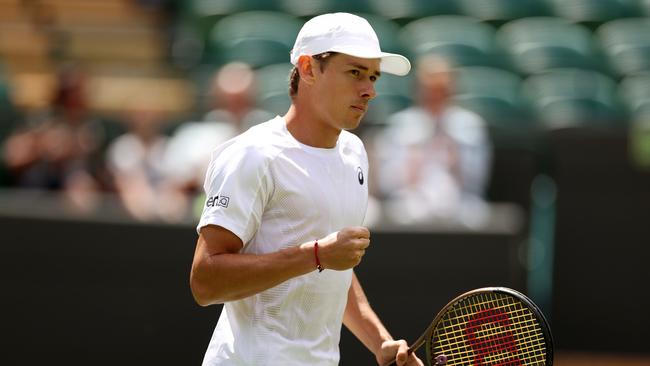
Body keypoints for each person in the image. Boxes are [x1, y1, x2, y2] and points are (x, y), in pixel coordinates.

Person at [190, 13, 422, 366]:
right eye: (355, 72)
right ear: (308, 68)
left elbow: (333, 268)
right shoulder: (253, 155)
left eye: (373, 77)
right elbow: (205, 281)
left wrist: (380, 342)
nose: (370, 90)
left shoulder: (354, 154)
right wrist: (316, 255)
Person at [371, 55, 493, 228]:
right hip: (411, 202)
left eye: (442, 91)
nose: (436, 98)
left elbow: (477, 182)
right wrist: (412, 165)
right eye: (430, 92)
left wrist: (455, 158)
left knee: (474, 216)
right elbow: (387, 184)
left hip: (460, 203)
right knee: (401, 213)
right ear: (419, 91)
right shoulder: (400, 125)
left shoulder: (470, 125)